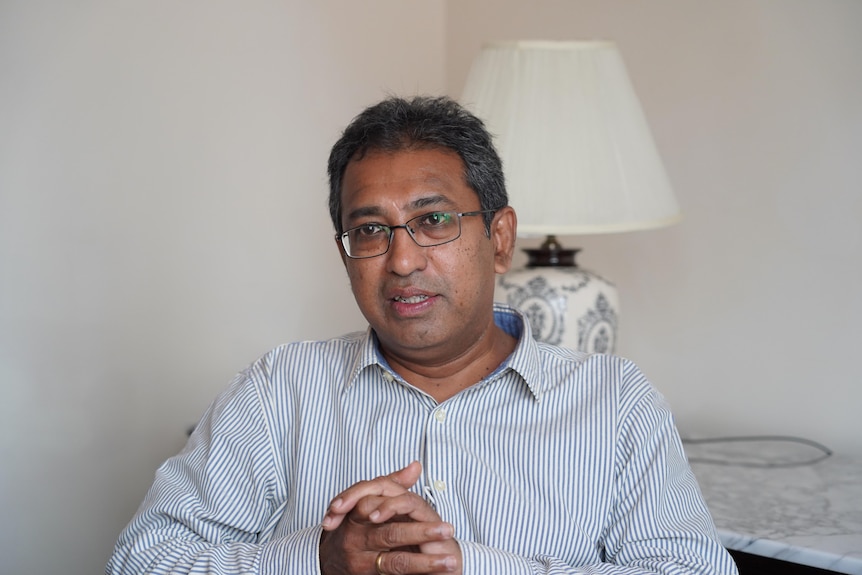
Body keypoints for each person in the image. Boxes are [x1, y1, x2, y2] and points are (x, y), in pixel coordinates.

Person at [106, 96, 737, 575]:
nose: (402, 260)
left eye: (433, 221)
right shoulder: (282, 389)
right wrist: (318, 560)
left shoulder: (613, 401)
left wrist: (468, 566)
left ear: (499, 238)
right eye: (371, 231)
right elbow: (142, 561)